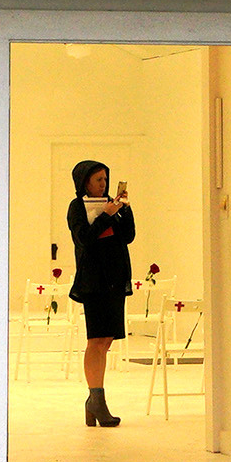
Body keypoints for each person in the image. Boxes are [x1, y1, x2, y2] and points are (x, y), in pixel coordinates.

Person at [66, 160, 137, 429]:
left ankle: (94, 401)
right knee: (96, 339)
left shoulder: (112, 205)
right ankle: (96, 399)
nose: (103, 184)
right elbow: (84, 238)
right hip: (94, 281)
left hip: (115, 280)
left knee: (106, 339)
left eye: (105, 179)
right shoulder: (77, 207)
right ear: (85, 182)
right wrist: (106, 215)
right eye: (98, 180)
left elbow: (128, 236)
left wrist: (125, 211)